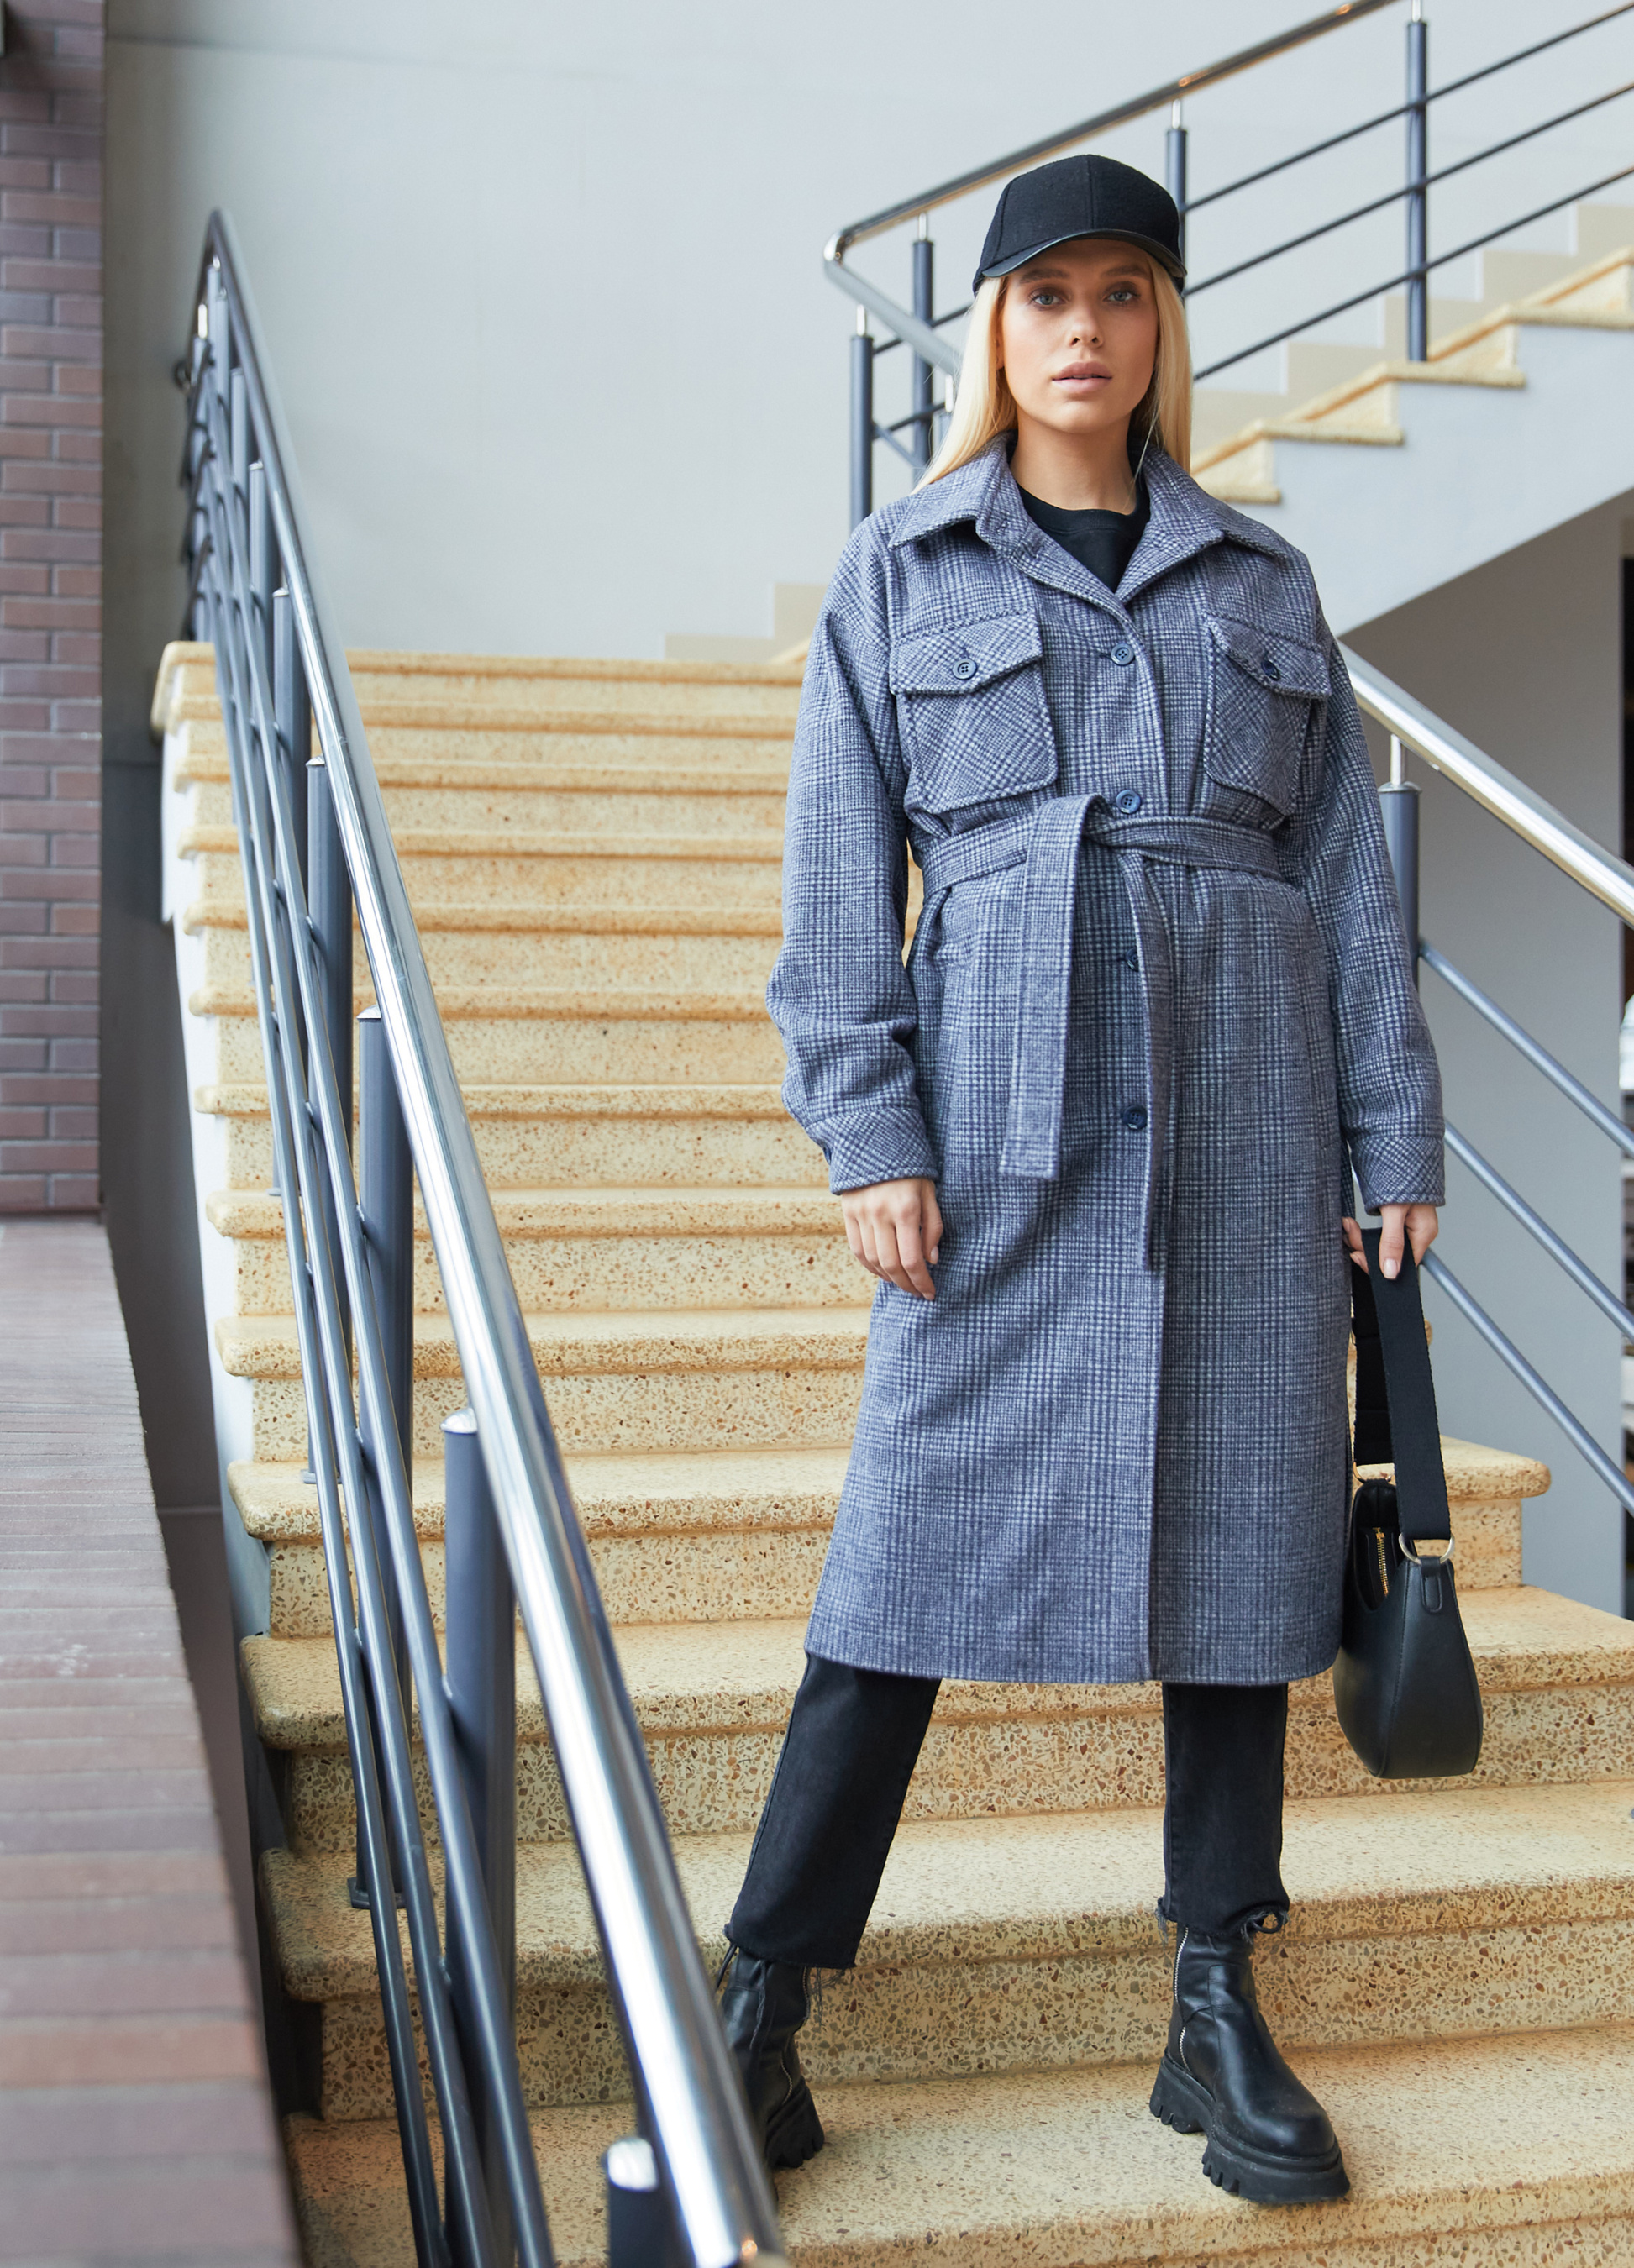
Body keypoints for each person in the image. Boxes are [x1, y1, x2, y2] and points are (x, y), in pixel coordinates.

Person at [717, 152, 1443, 2207]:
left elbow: (1344, 884)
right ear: (994, 330)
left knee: (1242, 1563)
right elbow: (833, 894)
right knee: (894, 1569)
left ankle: (1213, 2003)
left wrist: (1391, 1129)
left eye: (1121, 293)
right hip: (996, 1136)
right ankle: (759, 2003)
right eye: (1046, 295)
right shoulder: (898, 570)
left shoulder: (1262, 585)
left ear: (1159, 330)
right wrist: (871, 1135)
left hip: (1244, 1123)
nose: (1082, 330)